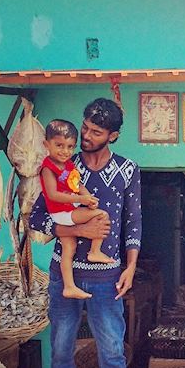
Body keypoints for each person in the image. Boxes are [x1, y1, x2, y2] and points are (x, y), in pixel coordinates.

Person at [29, 98, 154, 368]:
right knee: (60, 349)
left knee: (113, 350)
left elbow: (134, 224)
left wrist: (130, 267)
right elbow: (37, 219)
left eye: (94, 132)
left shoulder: (128, 171)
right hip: (63, 274)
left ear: (112, 135)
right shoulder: (62, 166)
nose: (84, 136)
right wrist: (76, 233)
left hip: (107, 277)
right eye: (83, 127)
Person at [39, 119, 114, 300]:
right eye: (59, 145)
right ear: (46, 144)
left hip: (67, 211)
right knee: (102, 214)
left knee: (69, 249)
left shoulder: (65, 166)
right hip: (61, 213)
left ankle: (69, 286)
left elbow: (76, 184)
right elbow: (53, 195)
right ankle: (95, 251)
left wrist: (89, 198)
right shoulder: (47, 169)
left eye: (70, 147)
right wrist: (81, 199)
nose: (65, 151)